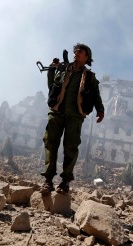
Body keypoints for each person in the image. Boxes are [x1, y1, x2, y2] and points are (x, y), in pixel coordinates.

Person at [40, 43, 105, 194]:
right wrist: (52, 69)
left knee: (71, 147)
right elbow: (52, 87)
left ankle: (65, 182)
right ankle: (48, 180)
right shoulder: (62, 69)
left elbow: (96, 95)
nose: (76, 52)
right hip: (56, 111)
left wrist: (100, 110)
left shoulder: (90, 76)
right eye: (75, 50)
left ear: (87, 57)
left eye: (80, 51)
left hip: (75, 115)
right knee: (50, 143)